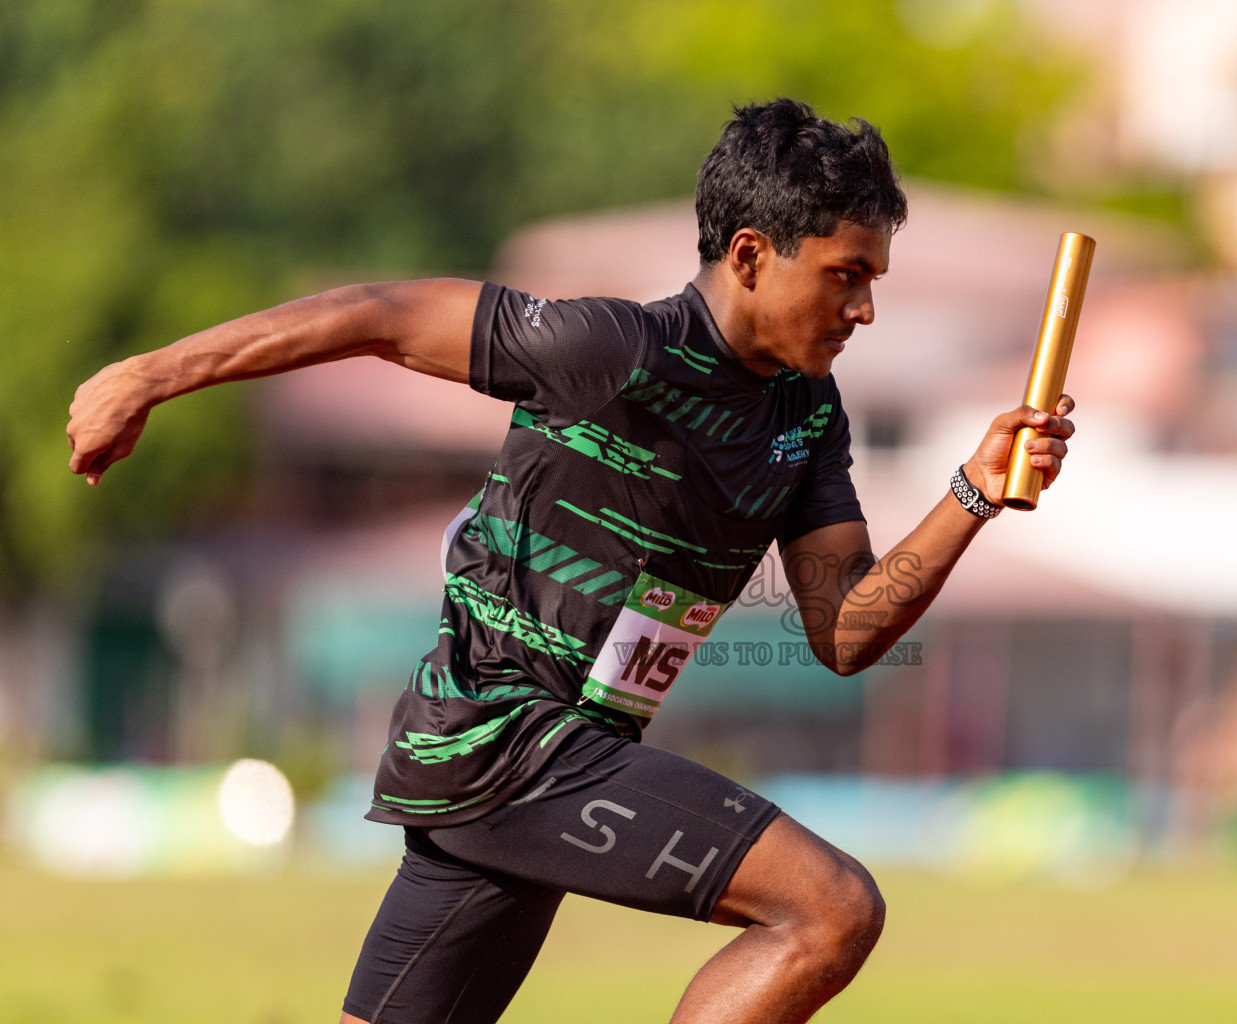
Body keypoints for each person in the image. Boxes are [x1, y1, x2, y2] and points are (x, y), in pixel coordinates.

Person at [66, 98, 1075, 1024]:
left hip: (557, 759)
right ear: (755, 254)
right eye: (846, 275)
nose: (864, 309)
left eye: (874, 280)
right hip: (503, 737)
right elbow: (378, 313)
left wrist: (973, 493)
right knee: (832, 909)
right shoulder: (613, 348)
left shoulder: (806, 416)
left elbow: (846, 629)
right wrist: (148, 375)